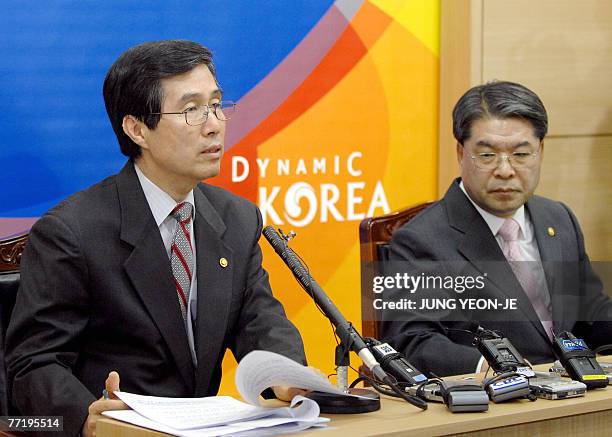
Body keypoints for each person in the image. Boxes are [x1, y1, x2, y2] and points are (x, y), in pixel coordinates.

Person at [6, 40, 306, 436]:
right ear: (136, 129)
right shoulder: (73, 232)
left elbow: (260, 321)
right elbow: (34, 363)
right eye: (191, 110)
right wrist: (85, 417)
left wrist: (287, 374)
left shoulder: (236, 217)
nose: (214, 123)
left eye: (216, 104)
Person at [380, 80, 612, 377]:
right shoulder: (421, 240)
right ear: (460, 153)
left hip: (569, 396)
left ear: (540, 151)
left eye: (521, 154)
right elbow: (412, 341)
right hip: (492, 404)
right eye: (487, 155)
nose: (505, 170)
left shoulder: (558, 218)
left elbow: (589, 314)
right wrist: (491, 367)